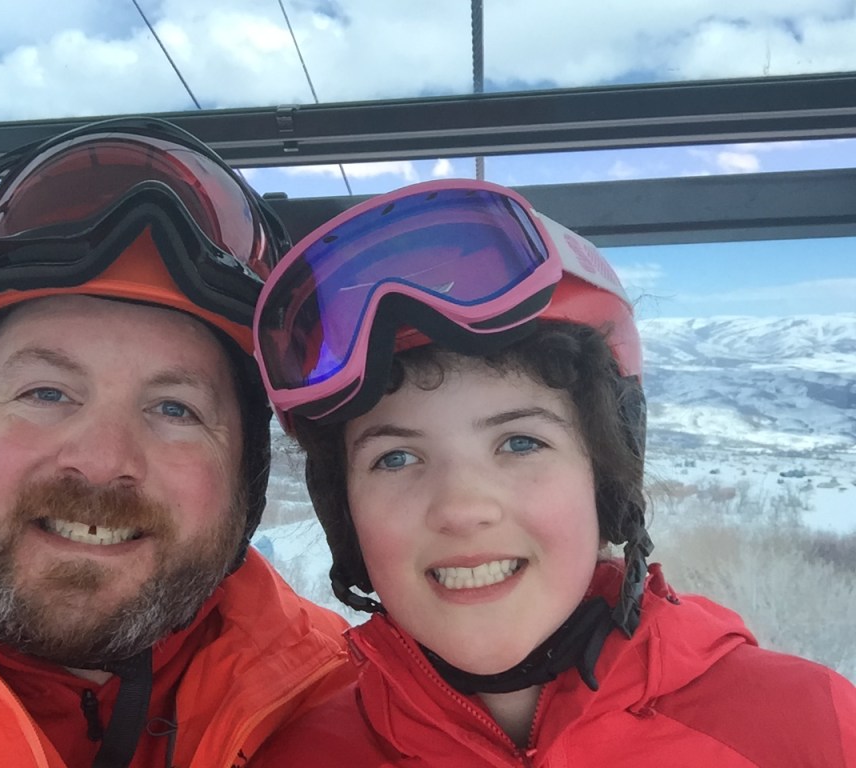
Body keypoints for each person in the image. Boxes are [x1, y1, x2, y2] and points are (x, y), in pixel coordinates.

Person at [248, 179, 856, 766]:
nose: (461, 509)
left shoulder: (812, 731)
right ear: (344, 516)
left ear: (606, 478)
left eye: (519, 443)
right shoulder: (296, 758)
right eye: (396, 458)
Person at [0, 117, 354, 768]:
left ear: (241, 475)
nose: (105, 462)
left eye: (175, 408)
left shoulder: (338, 700)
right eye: (45, 393)